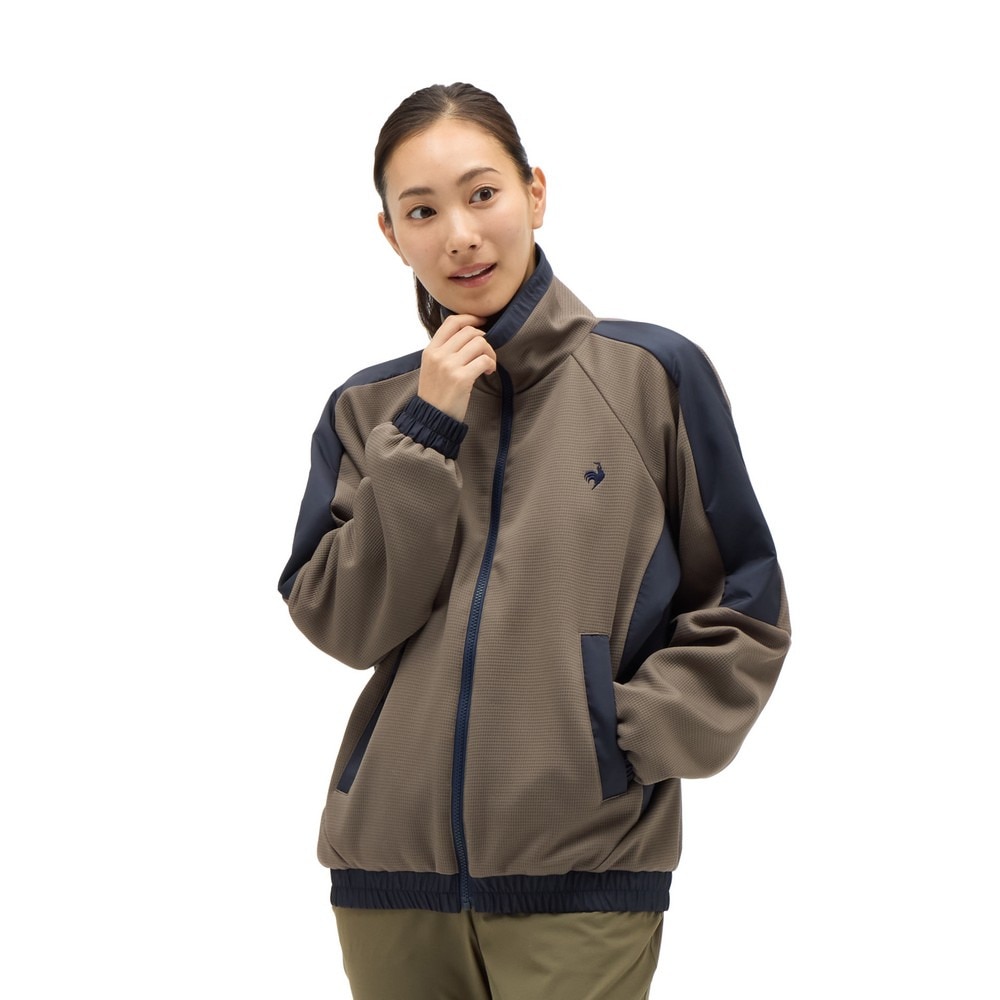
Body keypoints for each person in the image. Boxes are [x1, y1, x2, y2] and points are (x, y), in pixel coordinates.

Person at [278, 82, 791, 1000]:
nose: (459, 235)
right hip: (388, 876)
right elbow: (345, 625)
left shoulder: (651, 375)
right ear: (391, 235)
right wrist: (426, 432)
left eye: (483, 195)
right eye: (422, 212)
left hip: (583, 874)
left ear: (535, 193)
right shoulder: (367, 409)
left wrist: (616, 742)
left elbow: (744, 602)